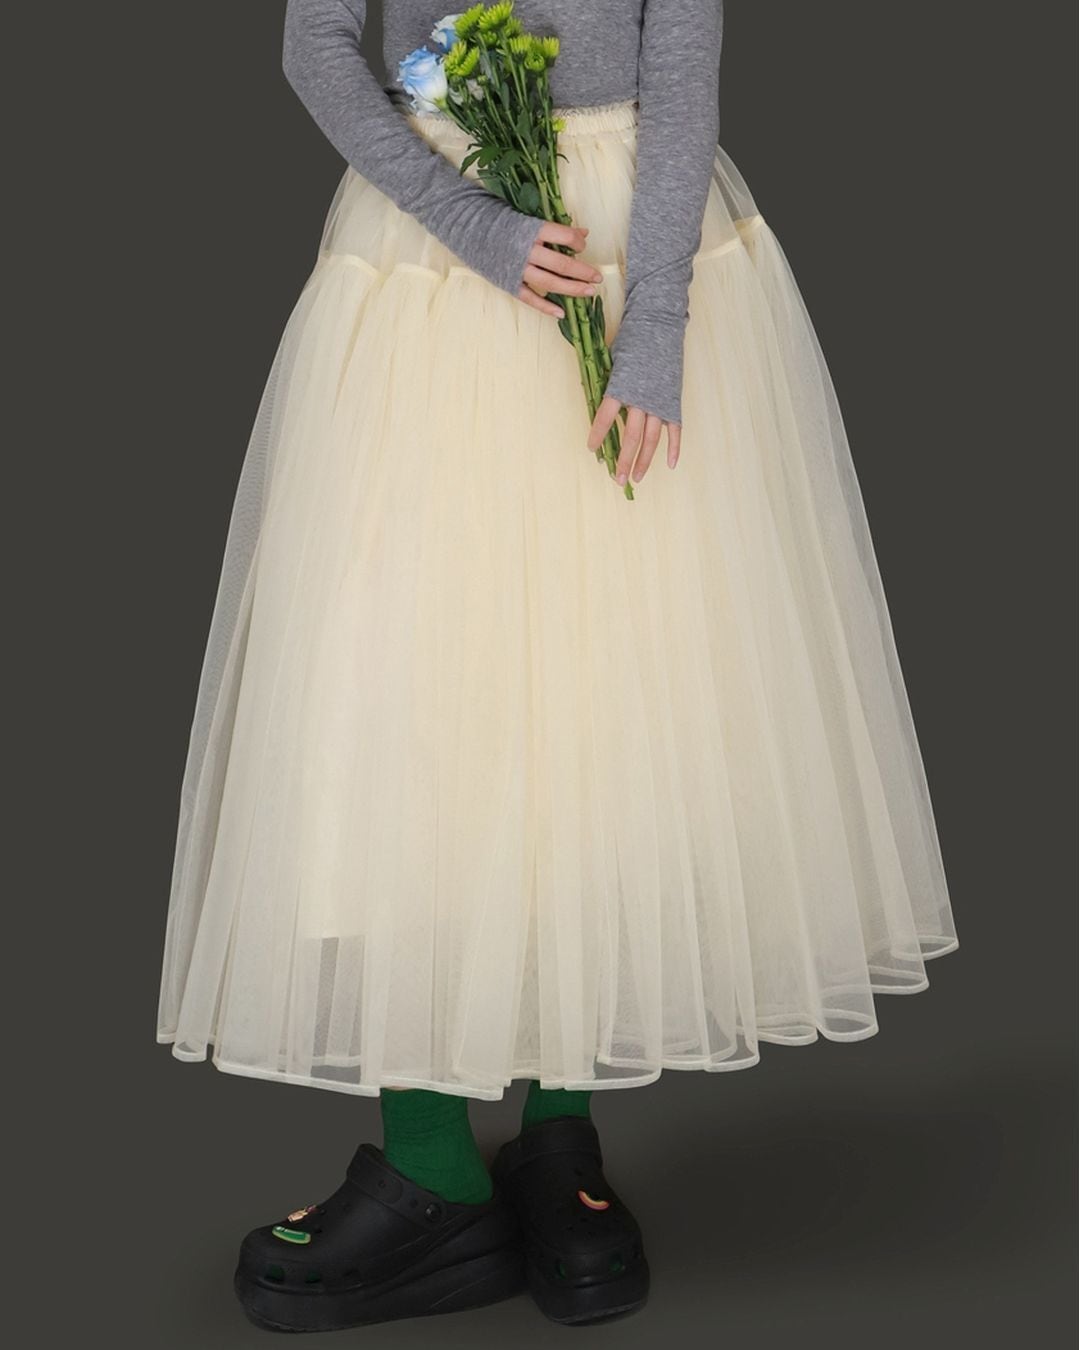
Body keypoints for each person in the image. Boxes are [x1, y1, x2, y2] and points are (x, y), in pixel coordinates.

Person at [156, 0, 959, 1331]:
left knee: (607, 689)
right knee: (414, 700)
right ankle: (429, 1160)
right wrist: (471, 223)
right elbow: (315, 42)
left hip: (629, 245)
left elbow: (681, 62)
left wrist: (655, 328)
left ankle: (559, 1132)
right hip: (437, 264)